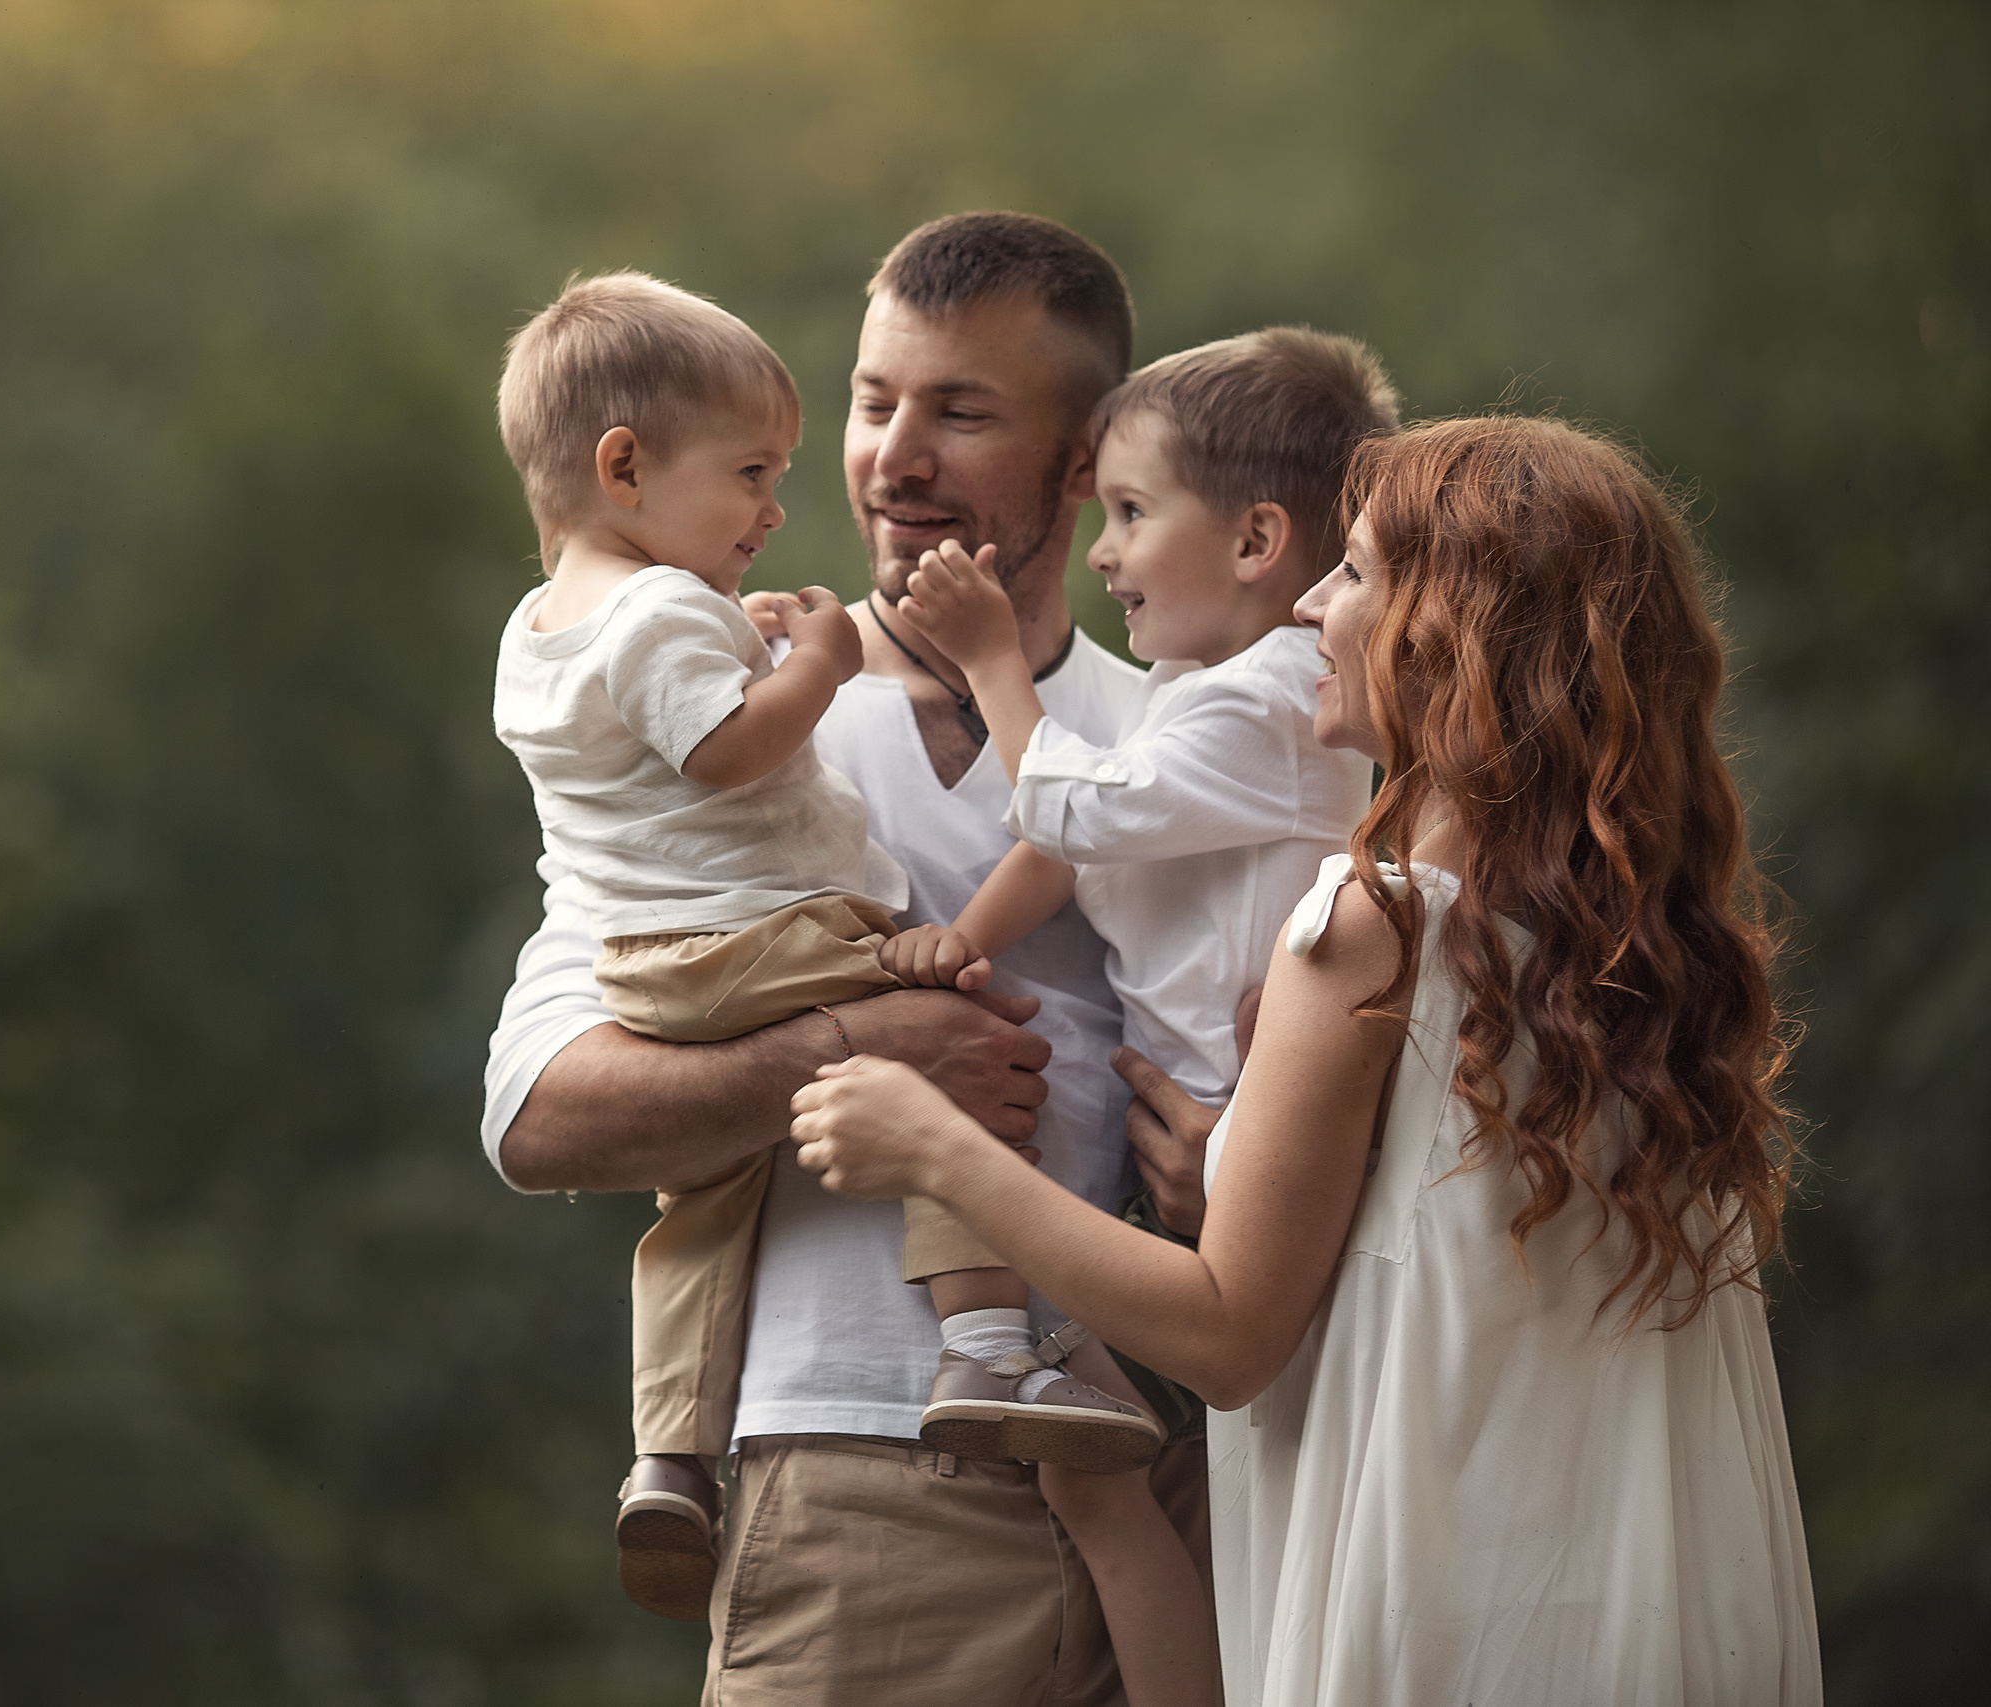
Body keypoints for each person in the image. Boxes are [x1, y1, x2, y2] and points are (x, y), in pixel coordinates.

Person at [789, 415, 1823, 1706]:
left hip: (1442, 1610)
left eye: (1355, 573)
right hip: (1644, 1607)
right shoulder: (1633, 961)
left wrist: (932, 1145)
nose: (1311, 608)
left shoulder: (1376, 925)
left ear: (1453, 633)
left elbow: (1227, 1335)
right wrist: (1228, 1181)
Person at [484, 212, 1196, 1703]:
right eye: (876, 405)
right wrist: (860, 1050)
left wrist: (1223, 1167)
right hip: (859, 1475)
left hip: (1177, 1463)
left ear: (1086, 460)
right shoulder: (710, 715)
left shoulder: (1186, 739)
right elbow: (538, 1120)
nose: (894, 460)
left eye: (962, 413)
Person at [876, 328, 1397, 1689]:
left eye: (1129, 512)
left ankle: (999, 1357)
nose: (1103, 553)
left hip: (1248, 1154)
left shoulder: (1273, 703)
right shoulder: (1194, 694)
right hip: (1185, 1155)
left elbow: (1075, 811)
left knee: (1130, 1490)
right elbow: (1073, 846)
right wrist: (961, 945)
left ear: (1256, 540)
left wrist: (995, 660)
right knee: (1113, 1489)